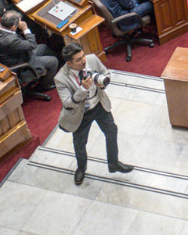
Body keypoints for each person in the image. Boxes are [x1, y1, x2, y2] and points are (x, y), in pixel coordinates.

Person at [56, 42, 132, 184]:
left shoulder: (92, 59)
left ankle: (113, 163)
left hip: (99, 105)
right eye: (78, 60)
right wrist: (83, 89)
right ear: (69, 63)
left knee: (111, 131)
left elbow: (106, 73)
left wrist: (102, 83)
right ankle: (81, 168)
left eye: (82, 56)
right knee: (80, 143)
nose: (84, 60)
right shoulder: (61, 78)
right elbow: (67, 103)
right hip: (81, 114)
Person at [0, 10, 59, 90]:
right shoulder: (10, 40)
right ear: (13, 27)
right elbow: (32, 45)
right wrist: (25, 28)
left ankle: (50, 68)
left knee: (43, 47)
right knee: (54, 61)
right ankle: (44, 85)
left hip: (12, 54)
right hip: (20, 64)